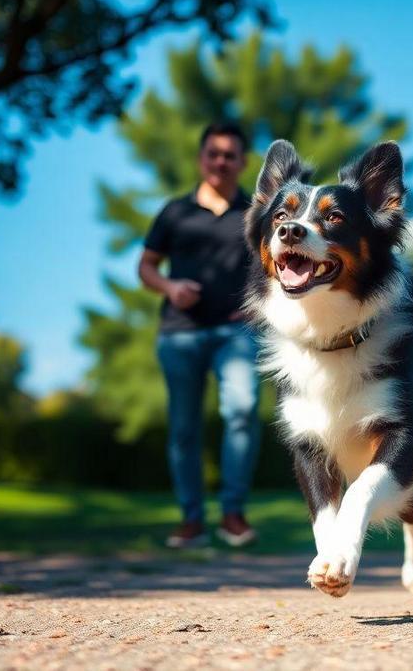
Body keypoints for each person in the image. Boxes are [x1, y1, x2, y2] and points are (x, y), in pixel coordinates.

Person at [138, 123, 260, 548]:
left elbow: (278, 268)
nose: (221, 162)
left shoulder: (256, 214)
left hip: (236, 332)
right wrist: (171, 288)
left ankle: (233, 516)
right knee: (184, 428)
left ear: (243, 163)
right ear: (201, 158)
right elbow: (146, 267)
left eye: (230, 155)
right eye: (214, 153)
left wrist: (258, 307)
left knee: (242, 410)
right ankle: (191, 520)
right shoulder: (174, 212)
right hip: (179, 334)